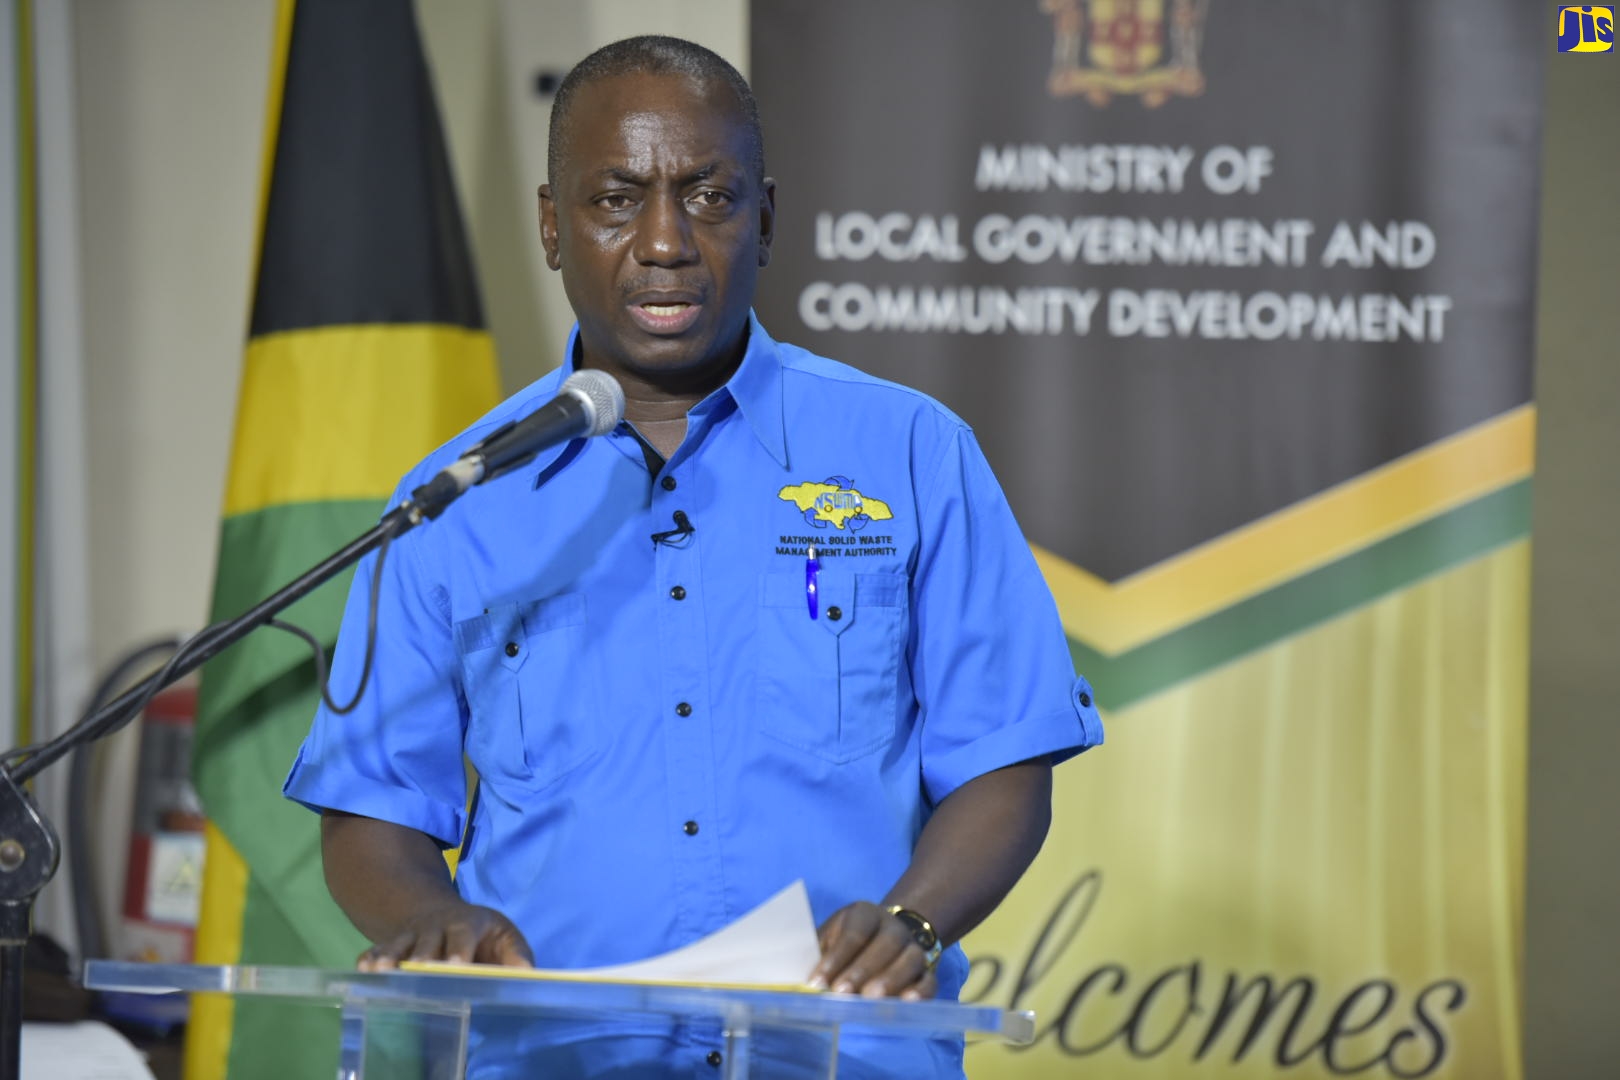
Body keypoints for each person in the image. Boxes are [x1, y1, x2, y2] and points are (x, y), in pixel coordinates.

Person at [283, 34, 1103, 1079]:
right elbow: (373, 810)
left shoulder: (909, 451)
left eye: (708, 197)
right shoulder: (453, 499)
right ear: (551, 223)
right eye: (616, 198)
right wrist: (438, 920)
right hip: (552, 1058)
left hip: (840, 1053)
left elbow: (1005, 763)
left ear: (764, 215)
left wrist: (914, 921)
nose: (664, 241)